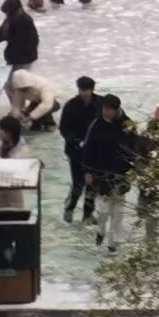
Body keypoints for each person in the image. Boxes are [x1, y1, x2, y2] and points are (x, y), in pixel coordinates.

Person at [80, 94, 150, 252]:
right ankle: (101, 229)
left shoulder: (128, 125)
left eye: (110, 109)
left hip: (121, 171)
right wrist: (87, 171)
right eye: (104, 109)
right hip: (100, 171)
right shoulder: (96, 124)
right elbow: (87, 149)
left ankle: (113, 241)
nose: (107, 112)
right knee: (102, 208)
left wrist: (137, 167)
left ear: (116, 109)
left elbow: (136, 147)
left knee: (118, 207)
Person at [58, 79, 101, 223]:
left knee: (93, 183)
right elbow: (64, 128)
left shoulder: (100, 104)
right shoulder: (71, 106)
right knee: (78, 182)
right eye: (81, 89)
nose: (83, 92)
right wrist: (75, 141)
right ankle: (70, 207)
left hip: (95, 151)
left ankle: (88, 213)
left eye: (86, 89)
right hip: (75, 150)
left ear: (92, 89)